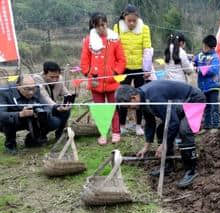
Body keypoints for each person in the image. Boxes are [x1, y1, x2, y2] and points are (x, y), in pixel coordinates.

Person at [116, 80, 206, 189]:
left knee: (184, 130)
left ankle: (191, 171)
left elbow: (173, 123)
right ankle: (168, 164)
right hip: (178, 105)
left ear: (133, 98)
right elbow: (150, 123)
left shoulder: (153, 97)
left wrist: (164, 144)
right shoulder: (143, 99)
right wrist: (146, 147)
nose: (130, 109)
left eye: (128, 106)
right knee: (160, 130)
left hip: (193, 99)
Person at [80, 12, 126, 145]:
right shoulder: (88, 40)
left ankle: (116, 132)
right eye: (98, 25)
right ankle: (103, 133)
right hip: (95, 82)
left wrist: (115, 72)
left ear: (107, 23)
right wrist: (89, 72)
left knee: (113, 108)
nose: (101, 28)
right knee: (100, 109)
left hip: (112, 81)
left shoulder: (115, 39)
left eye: (103, 24)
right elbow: (84, 60)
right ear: (94, 26)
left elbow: (121, 59)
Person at [114, 4, 153, 136]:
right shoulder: (117, 27)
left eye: (134, 21)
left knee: (139, 97)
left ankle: (138, 125)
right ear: (124, 18)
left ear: (138, 19)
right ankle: (122, 125)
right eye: (129, 20)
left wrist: (147, 69)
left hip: (139, 68)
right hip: (123, 68)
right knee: (123, 96)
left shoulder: (145, 29)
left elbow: (147, 49)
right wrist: (116, 68)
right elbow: (115, 48)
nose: (131, 23)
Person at [0, 74, 65, 154]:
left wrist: (52, 110)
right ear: (18, 86)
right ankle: (10, 144)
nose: (31, 92)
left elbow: (46, 106)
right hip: (9, 121)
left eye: (33, 89)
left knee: (54, 121)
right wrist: (20, 114)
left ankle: (34, 138)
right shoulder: (4, 92)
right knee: (8, 120)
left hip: (30, 118)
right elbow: (1, 115)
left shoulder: (36, 89)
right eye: (27, 89)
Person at [33, 61, 73, 140]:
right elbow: (44, 96)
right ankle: (42, 134)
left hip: (53, 107)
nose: (55, 79)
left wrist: (70, 99)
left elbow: (65, 92)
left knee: (66, 110)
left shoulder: (59, 79)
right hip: (41, 109)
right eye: (51, 77)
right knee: (54, 122)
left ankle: (60, 133)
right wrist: (56, 107)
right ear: (44, 74)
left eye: (57, 77)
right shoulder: (37, 79)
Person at [193, 35, 220, 131]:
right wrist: (192, 63)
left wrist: (199, 70)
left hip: (213, 86)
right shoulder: (200, 55)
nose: (203, 48)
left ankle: (216, 125)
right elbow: (194, 60)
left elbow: (214, 70)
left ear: (210, 47)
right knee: (206, 107)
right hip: (202, 86)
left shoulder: (215, 57)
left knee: (214, 106)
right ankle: (207, 125)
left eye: (204, 46)